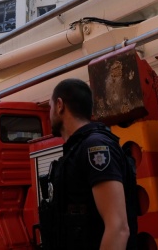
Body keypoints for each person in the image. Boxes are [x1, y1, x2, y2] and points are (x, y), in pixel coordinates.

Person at [46, 78, 137, 250]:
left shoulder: (95, 147)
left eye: (49, 107)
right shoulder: (78, 149)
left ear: (59, 105)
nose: (49, 114)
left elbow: (118, 228)